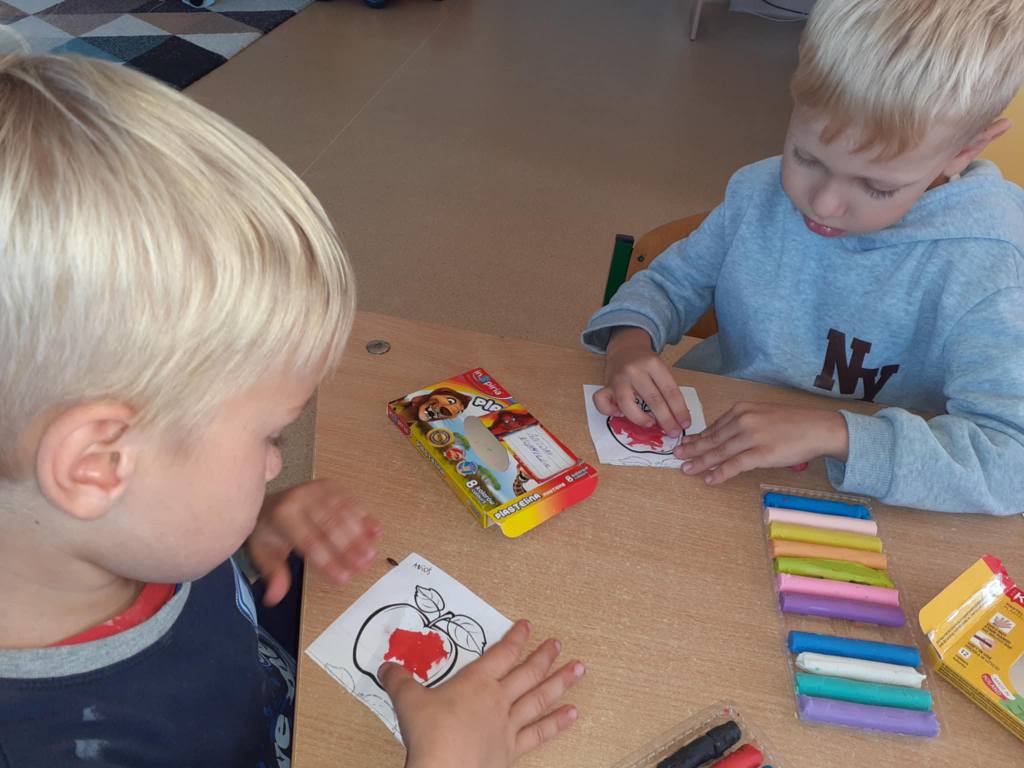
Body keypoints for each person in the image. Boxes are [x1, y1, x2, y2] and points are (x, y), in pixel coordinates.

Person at [0, 52, 582, 767]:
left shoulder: (124, 529)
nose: (278, 463)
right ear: (98, 464)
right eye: (270, 435)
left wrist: (253, 538)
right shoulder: (58, 746)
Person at [582, 0, 1024, 515]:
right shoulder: (758, 192)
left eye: (877, 187)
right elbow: (668, 283)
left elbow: (1010, 461)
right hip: (712, 454)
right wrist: (630, 339)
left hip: (868, 500)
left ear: (965, 150)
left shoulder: (987, 267)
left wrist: (838, 433)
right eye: (806, 156)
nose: (823, 204)